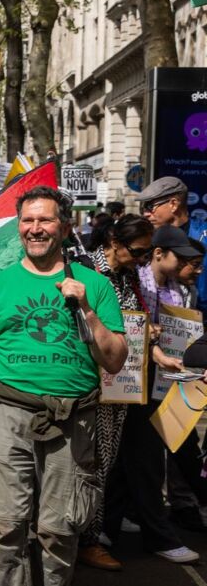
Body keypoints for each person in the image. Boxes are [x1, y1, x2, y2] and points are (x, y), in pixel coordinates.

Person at [0, 186, 127, 586]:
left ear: (65, 228)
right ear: (19, 227)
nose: (35, 229)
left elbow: (114, 360)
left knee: (59, 525)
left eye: (45, 221)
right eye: (28, 221)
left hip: (73, 419)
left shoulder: (95, 286)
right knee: (6, 521)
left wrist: (87, 311)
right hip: (8, 413)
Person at [103, 223, 203, 564]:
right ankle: (148, 532)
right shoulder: (133, 278)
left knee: (141, 455)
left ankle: (109, 527)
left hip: (162, 380)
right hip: (127, 378)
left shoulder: (179, 290)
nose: (192, 267)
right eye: (140, 253)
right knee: (139, 458)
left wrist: (162, 350)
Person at [76, 214, 154, 571]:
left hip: (118, 387)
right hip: (84, 383)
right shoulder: (83, 270)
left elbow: (133, 321)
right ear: (113, 241)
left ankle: (89, 539)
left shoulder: (130, 276)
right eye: (138, 251)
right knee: (74, 464)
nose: (142, 259)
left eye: (146, 253)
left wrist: (145, 335)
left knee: (101, 466)